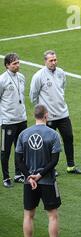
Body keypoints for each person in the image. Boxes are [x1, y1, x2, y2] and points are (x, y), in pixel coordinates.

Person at [15, 105, 64, 237]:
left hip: (29, 183)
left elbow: (18, 161)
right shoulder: (53, 135)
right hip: (48, 181)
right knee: (53, 216)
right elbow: (54, 160)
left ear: (34, 115)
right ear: (46, 115)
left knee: (28, 215)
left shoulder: (23, 134)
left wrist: (30, 176)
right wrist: (40, 175)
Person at [30, 50, 81, 175]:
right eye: (51, 60)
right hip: (48, 117)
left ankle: (71, 166)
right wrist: (41, 111)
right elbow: (33, 95)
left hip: (63, 113)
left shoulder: (61, 72)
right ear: (45, 61)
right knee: (49, 142)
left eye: (55, 60)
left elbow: (62, 89)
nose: (53, 62)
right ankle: (50, 168)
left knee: (69, 138)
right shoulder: (38, 76)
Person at [0, 53, 27, 188]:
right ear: (7, 65)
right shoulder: (2, 80)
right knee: (6, 151)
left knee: (20, 149)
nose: (17, 65)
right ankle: (6, 177)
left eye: (18, 62)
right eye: (14, 63)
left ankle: (18, 174)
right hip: (8, 121)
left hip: (22, 119)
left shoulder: (21, 77)